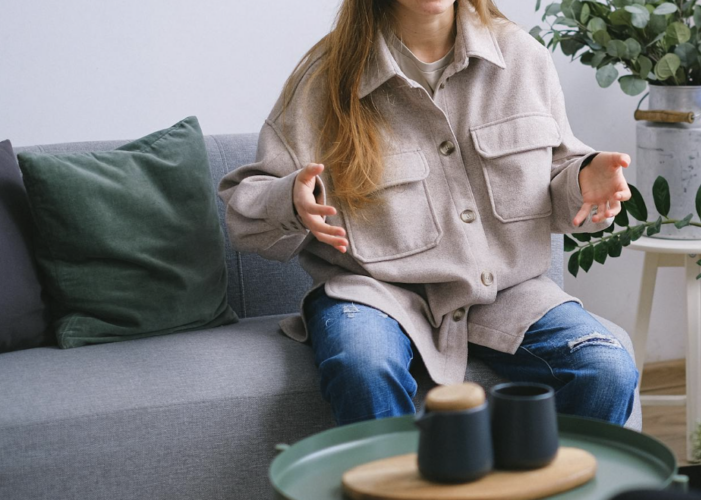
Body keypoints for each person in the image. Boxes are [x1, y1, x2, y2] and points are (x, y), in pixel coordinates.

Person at [218, 0, 639, 427]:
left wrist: (584, 179)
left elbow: (558, 176)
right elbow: (244, 209)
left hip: (507, 293)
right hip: (374, 294)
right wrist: (291, 201)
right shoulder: (325, 77)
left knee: (607, 369)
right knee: (362, 366)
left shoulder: (523, 57)